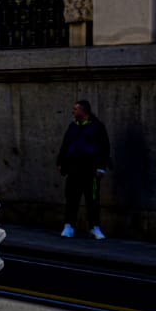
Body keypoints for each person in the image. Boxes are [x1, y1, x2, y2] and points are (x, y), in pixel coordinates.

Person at [56, 99, 110, 239]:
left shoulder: (97, 127)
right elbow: (65, 145)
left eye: (75, 109)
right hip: (73, 169)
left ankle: (94, 227)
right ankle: (69, 226)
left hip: (90, 170)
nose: (73, 111)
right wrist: (61, 162)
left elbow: (104, 148)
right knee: (72, 199)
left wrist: (101, 167)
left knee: (92, 200)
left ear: (83, 111)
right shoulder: (72, 127)